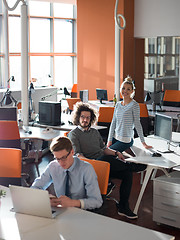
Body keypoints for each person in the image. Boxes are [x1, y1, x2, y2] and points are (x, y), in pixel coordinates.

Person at [68, 102, 147, 219]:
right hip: (90, 167)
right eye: (83, 117)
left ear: (91, 119)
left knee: (127, 174)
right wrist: (95, 164)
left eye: (88, 117)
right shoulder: (74, 134)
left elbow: (104, 149)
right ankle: (132, 166)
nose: (85, 120)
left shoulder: (94, 132)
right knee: (105, 159)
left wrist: (116, 153)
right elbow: (78, 156)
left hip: (105, 165)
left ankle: (123, 207)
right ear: (78, 117)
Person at [31, 136, 103, 210]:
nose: (61, 163)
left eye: (64, 157)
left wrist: (72, 203)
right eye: (57, 159)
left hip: (81, 211)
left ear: (72, 152)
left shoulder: (86, 169)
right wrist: (46, 199)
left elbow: (97, 201)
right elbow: (35, 188)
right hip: (62, 209)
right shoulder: (53, 166)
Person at [107, 76, 152, 151]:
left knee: (106, 155)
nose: (125, 91)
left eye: (128, 89)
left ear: (132, 91)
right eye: (123, 88)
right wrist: (109, 140)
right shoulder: (118, 104)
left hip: (126, 140)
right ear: (120, 89)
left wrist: (143, 142)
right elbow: (113, 123)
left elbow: (137, 124)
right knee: (103, 153)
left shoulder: (134, 105)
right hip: (115, 137)